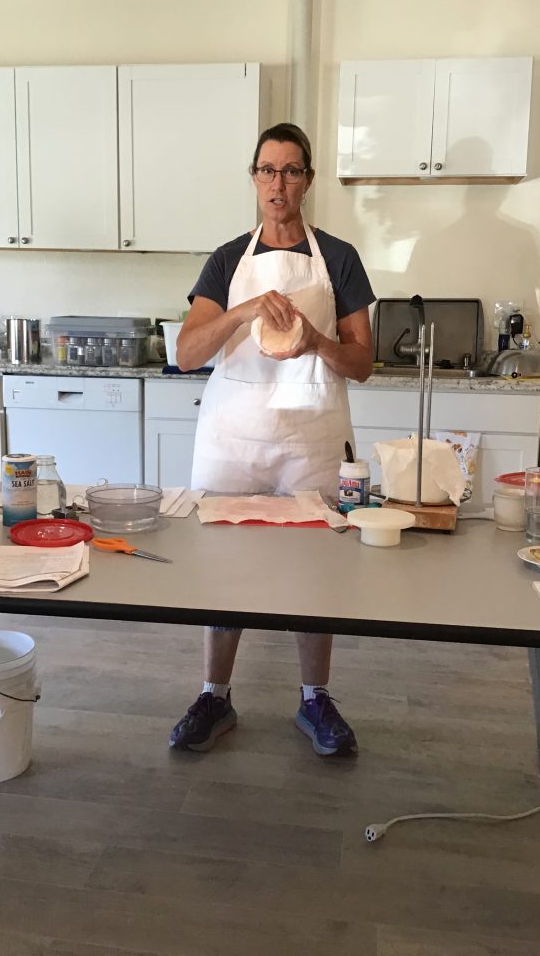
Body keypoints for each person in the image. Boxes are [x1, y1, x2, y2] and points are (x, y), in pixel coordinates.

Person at [169, 123, 375, 757]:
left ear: (308, 180)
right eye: (267, 170)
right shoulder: (228, 259)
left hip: (311, 437)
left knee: (317, 572)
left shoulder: (338, 257)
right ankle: (215, 695)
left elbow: (363, 362)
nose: (277, 184)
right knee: (224, 570)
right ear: (254, 177)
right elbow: (185, 353)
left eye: (290, 171)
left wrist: (314, 340)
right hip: (234, 435)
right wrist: (244, 309)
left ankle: (315, 698)